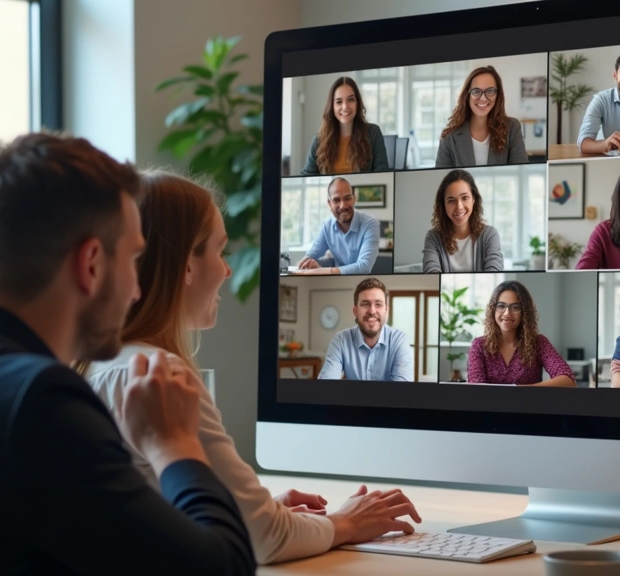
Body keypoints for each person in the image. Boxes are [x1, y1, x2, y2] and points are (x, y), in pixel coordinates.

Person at [0, 133, 255, 575]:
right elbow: (221, 569)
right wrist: (175, 444)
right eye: (134, 260)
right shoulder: (37, 402)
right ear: (92, 264)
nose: (138, 288)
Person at [82, 172, 421, 565]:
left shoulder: (102, 364)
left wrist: (245, 511)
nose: (228, 271)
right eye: (220, 252)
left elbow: (149, 516)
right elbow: (267, 539)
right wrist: (345, 523)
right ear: (185, 266)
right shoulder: (159, 377)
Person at [467, 281, 576, 387]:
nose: (507, 313)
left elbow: (568, 380)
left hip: (529, 405)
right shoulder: (480, 345)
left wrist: (523, 391)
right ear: (493, 310)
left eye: (515, 307)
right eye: (501, 306)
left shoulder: (538, 343)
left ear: (524, 313)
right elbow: (477, 390)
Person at [319, 278, 414, 381]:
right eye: (365, 304)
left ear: (386, 310)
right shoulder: (340, 341)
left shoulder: (399, 340)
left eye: (378, 304)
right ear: (355, 311)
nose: (372, 311)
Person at [435, 65, 529, 168]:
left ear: (498, 95)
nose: (483, 98)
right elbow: (442, 178)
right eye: (476, 91)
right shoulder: (449, 137)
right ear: (467, 95)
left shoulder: (512, 128)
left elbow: (521, 170)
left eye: (490, 91)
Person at [301, 76, 389, 175]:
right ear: (332, 107)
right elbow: (306, 176)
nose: (345, 107)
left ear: (357, 103)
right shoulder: (318, 141)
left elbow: (383, 173)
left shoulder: (373, 133)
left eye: (351, 100)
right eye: (339, 102)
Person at [422, 169, 504, 273]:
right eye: (451, 201)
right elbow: (431, 273)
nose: (459, 207)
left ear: (473, 199)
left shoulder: (489, 235)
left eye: (465, 198)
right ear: (443, 204)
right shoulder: (433, 237)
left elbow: (494, 272)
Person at [294, 176, 380, 275]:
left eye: (347, 198)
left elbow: (364, 267)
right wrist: (297, 268)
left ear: (354, 199)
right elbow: (311, 255)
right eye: (336, 200)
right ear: (329, 203)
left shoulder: (371, 224)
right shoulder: (327, 225)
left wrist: (321, 271)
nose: (343, 206)